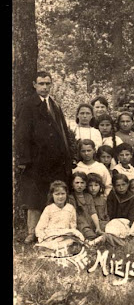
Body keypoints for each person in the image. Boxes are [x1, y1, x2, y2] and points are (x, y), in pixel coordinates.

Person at [16, 71, 75, 244]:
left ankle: (55, 230)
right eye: (41, 83)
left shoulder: (54, 105)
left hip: (57, 160)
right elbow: (21, 135)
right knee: (34, 197)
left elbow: (64, 132)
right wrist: (24, 160)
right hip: (37, 161)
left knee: (55, 194)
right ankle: (32, 232)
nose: (44, 87)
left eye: (48, 83)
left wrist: (68, 155)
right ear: (34, 84)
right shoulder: (28, 105)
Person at [35, 180, 85, 244]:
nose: (60, 197)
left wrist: (72, 233)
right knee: (53, 241)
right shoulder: (49, 209)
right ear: (52, 195)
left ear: (66, 194)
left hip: (66, 234)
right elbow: (39, 228)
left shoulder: (70, 208)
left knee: (77, 236)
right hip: (52, 234)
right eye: (57, 194)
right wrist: (43, 237)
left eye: (63, 193)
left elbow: (73, 225)